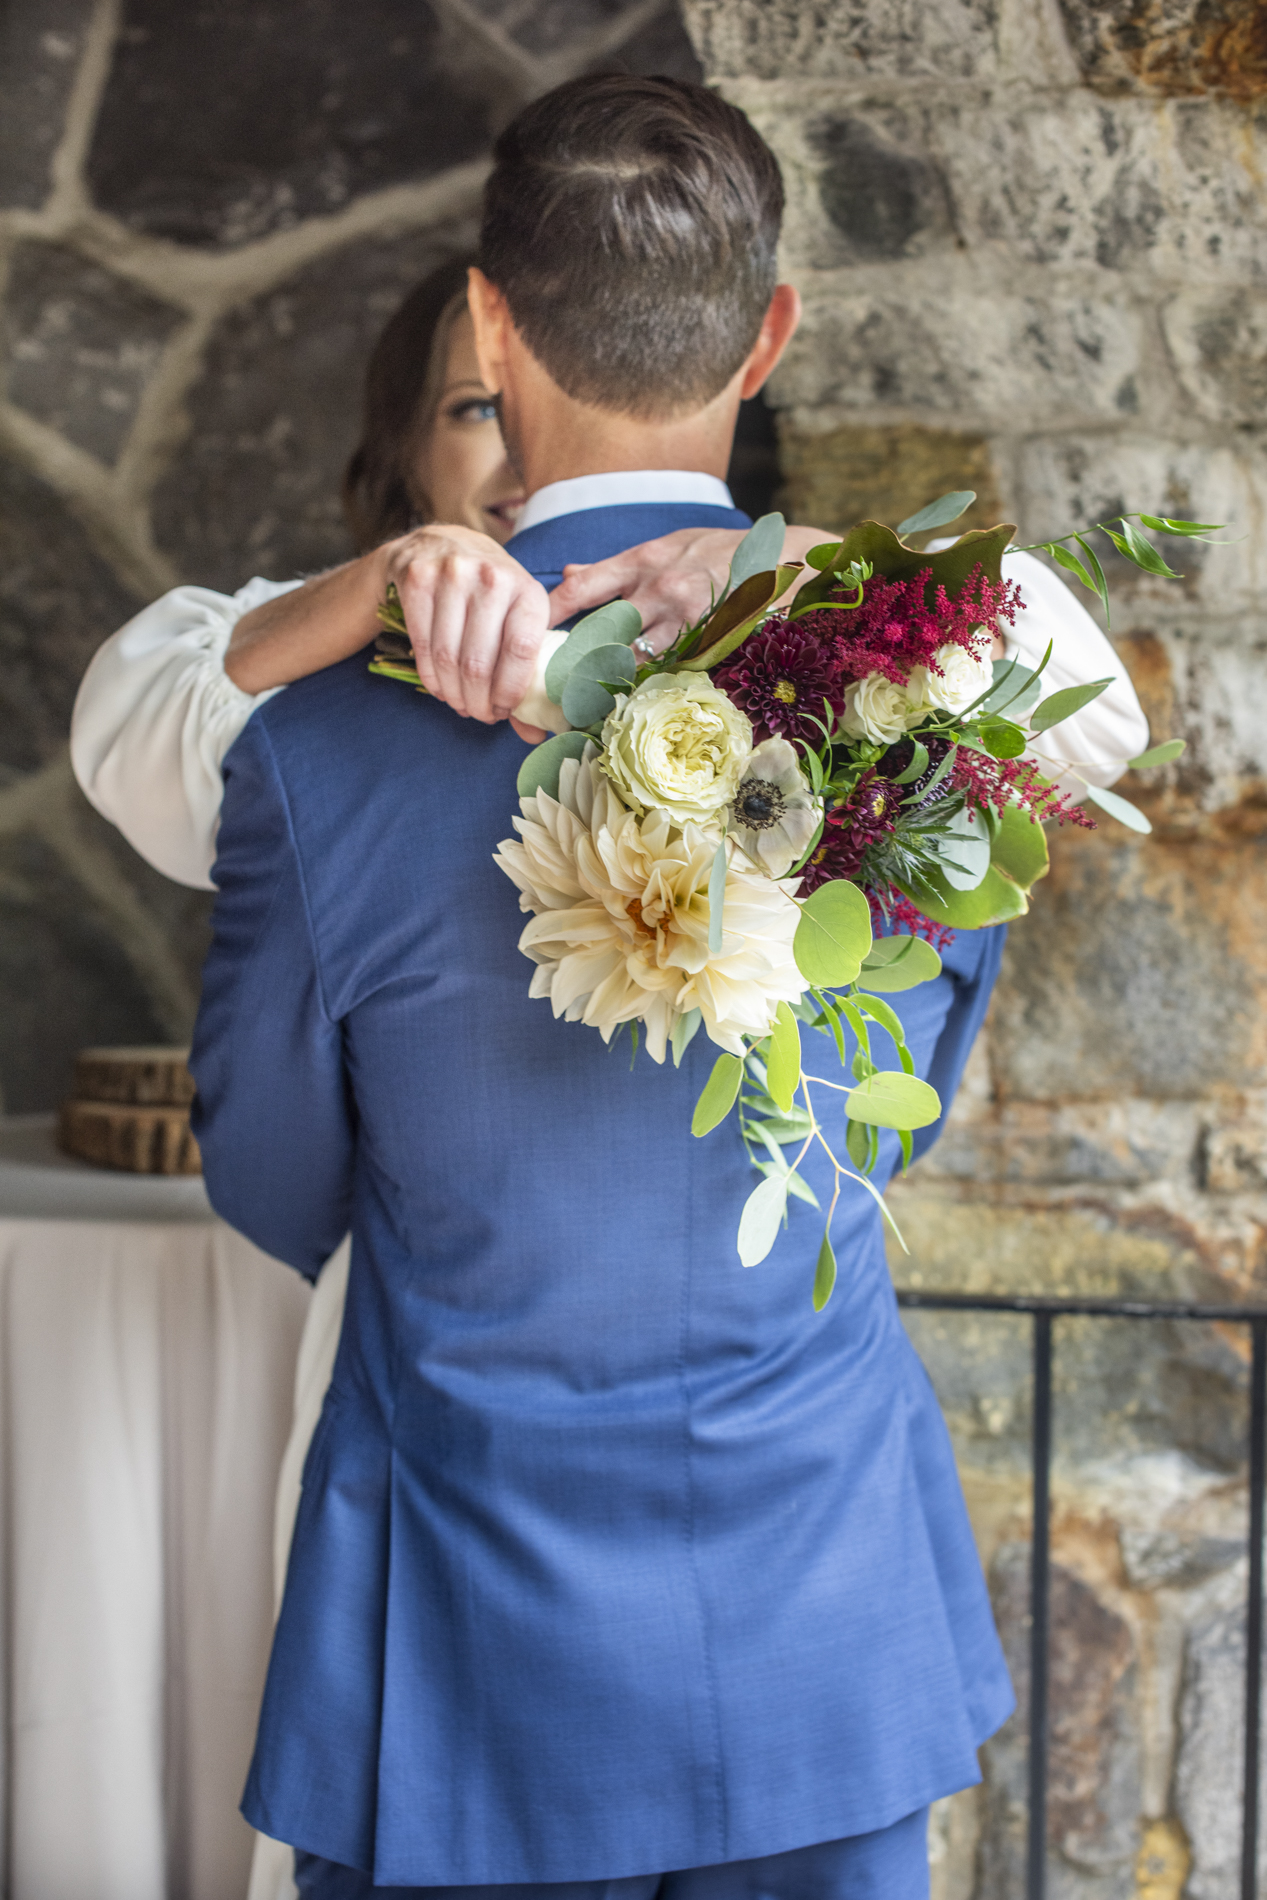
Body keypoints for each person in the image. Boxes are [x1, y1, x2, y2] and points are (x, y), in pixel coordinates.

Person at [186, 74, 1151, 1900]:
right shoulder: (913, 704)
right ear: (771, 333)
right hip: (822, 1629)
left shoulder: (310, 755)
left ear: (489, 318)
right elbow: (905, 1103)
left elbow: (270, 1178)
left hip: (462, 1655)